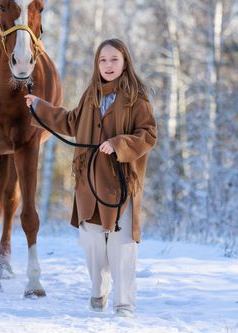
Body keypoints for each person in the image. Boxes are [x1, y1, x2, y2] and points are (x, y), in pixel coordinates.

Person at [24, 38, 157, 317]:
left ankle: (124, 305)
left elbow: (148, 135)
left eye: (114, 60)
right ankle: (99, 290)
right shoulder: (90, 96)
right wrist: (39, 106)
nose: (108, 65)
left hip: (121, 183)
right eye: (103, 60)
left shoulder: (137, 98)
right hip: (89, 183)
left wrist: (119, 143)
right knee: (93, 242)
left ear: (125, 63)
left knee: (122, 247)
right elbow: (70, 122)